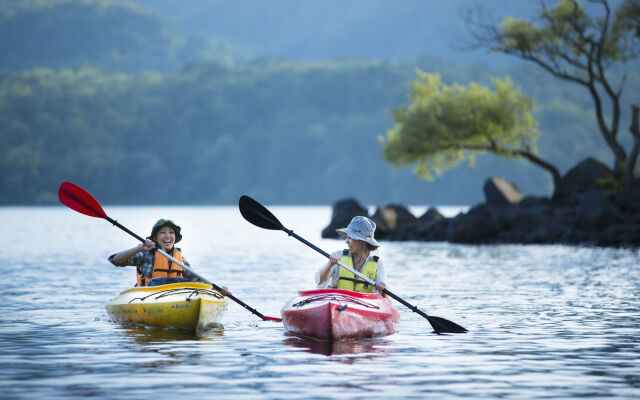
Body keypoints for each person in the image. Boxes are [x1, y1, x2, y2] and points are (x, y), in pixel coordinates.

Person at [109, 218, 230, 295]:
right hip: (147, 298)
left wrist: (218, 290)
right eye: (162, 232)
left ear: (175, 238)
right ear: (155, 238)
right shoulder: (146, 254)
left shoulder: (180, 260)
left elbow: (198, 281)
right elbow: (115, 260)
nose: (167, 236)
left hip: (172, 299)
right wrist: (139, 248)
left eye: (171, 232)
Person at [315, 216, 387, 294]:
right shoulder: (338, 255)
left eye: (350, 238)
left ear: (363, 241)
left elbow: (382, 291)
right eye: (346, 237)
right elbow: (319, 282)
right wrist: (330, 264)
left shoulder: (378, 263)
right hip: (338, 300)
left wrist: (383, 287)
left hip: (364, 303)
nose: (346, 241)